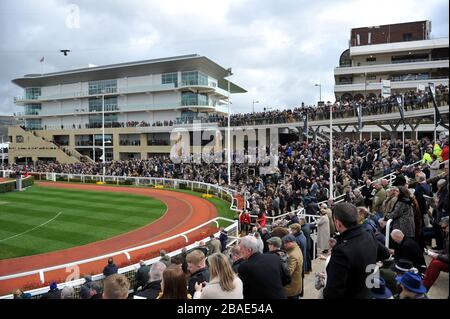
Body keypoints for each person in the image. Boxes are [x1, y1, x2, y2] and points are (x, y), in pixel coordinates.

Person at [323, 202, 378, 299]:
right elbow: (385, 253)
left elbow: (333, 291)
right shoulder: (369, 234)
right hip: (367, 291)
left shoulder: (341, 251)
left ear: (338, 223)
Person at [423, 216, 449, 291]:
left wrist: (437, 255)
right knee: (435, 260)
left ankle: (424, 287)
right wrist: (435, 252)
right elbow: (445, 250)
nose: (443, 230)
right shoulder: (447, 234)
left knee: (436, 263)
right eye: (442, 228)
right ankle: (427, 278)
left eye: (444, 228)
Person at [282, 234, 303, 299]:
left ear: (293, 242)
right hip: (296, 285)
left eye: (286, 243)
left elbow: (288, 272)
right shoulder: (297, 248)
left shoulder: (293, 255)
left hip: (291, 287)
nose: (284, 244)